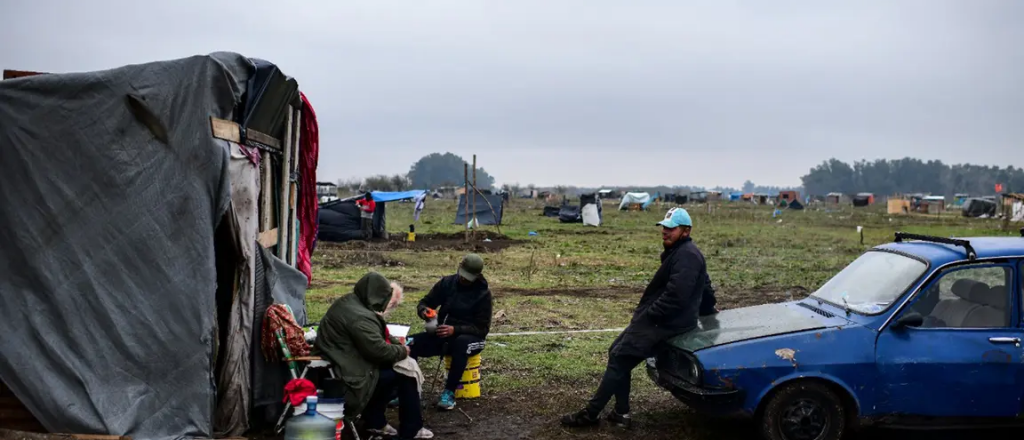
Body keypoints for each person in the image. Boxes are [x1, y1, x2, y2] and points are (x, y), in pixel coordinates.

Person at [562, 207, 708, 429]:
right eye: (664, 227)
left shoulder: (687, 255)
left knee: (620, 358)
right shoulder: (681, 253)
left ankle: (591, 414)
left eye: (671, 228)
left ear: (686, 231)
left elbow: (677, 295)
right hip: (664, 319)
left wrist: (651, 314)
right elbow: (706, 287)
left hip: (665, 322)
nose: (665, 232)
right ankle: (621, 413)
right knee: (616, 352)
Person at [313, 272, 433, 440]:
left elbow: (379, 337)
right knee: (406, 376)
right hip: (349, 378)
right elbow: (379, 351)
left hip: (341, 365)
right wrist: (403, 351)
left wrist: (396, 345)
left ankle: (375, 421)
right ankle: (411, 429)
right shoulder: (360, 318)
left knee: (394, 373)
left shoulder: (350, 302)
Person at [407, 254, 493, 410]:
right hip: (442, 335)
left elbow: (482, 329)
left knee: (461, 343)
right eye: (463, 275)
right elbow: (425, 302)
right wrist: (424, 311)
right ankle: (408, 391)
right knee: (408, 343)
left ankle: (449, 392)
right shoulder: (446, 283)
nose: (464, 280)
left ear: (477, 276)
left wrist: (455, 330)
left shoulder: (483, 294)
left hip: (471, 339)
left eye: (469, 278)